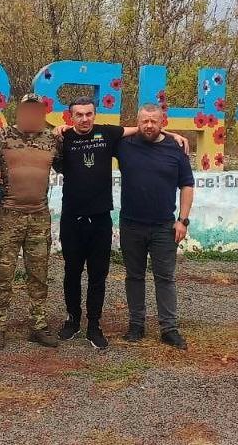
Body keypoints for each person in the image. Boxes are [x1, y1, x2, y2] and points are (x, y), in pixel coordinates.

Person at [54, 97, 190, 350]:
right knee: (72, 272)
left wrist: (173, 135)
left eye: (89, 114)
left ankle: (95, 326)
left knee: (100, 275)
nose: (84, 119)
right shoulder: (63, 138)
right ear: (70, 117)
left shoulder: (107, 134)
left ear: (95, 114)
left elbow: (145, 129)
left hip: (103, 219)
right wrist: (58, 130)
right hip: (74, 219)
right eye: (79, 115)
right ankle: (73, 321)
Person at [0, 93, 62, 350]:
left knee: (39, 275)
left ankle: (38, 325)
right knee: (3, 274)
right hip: (9, 215)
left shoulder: (54, 139)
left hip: (39, 217)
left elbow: (77, 154)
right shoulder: (0, 136)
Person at [114, 103, 195, 349]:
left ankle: (169, 329)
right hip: (131, 224)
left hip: (164, 227)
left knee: (165, 278)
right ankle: (136, 325)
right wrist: (63, 129)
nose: (149, 125)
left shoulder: (176, 149)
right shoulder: (123, 145)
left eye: (154, 121)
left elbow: (187, 185)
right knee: (134, 276)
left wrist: (183, 220)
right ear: (137, 122)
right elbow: (97, 134)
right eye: (144, 121)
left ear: (163, 122)